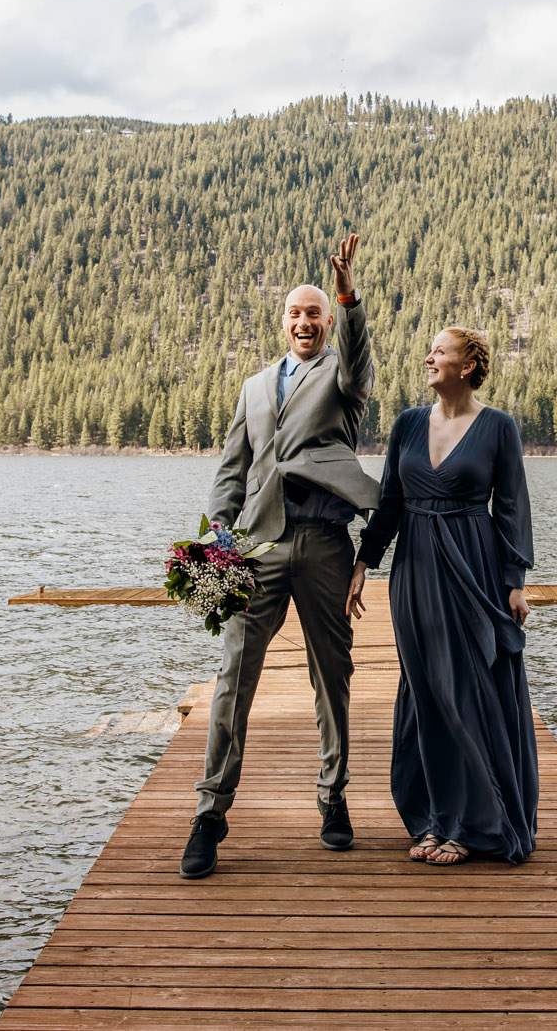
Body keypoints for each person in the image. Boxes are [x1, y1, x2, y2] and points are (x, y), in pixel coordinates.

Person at [183, 234, 380, 880]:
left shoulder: (344, 380)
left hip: (324, 544)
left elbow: (356, 351)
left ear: (326, 321)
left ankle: (333, 796)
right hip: (256, 549)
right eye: (296, 312)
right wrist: (216, 533)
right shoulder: (253, 388)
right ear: (283, 321)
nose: (304, 321)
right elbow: (230, 470)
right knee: (233, 675)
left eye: (315, 313)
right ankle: (210, 813)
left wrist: (347, 291)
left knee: (334, 677)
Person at [351, 325, 538, 866]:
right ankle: (434, 817)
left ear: (467, 365)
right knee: (426, 691)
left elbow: (511, 509)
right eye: (430, 349)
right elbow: (389, 500)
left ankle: (476, 825)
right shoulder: (408, 423)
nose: (428, 356)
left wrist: (514, 581)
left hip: (471, 566)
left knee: (468, 691)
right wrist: (365, 561)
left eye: (440, 350)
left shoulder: (499, 427)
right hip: (414, 569)